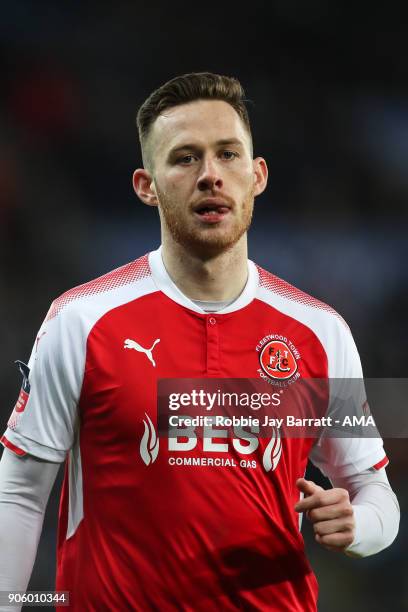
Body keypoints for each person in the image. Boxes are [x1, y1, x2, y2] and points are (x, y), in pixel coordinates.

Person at [0, 72, 399, 611]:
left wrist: (360, 526)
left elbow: (373, 490)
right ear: (146, 185)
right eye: (185, 157)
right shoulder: (81, 321)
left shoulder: (321, 332)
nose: (211, 175)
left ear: (257, 175)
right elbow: (22, 493)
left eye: (228, 154)